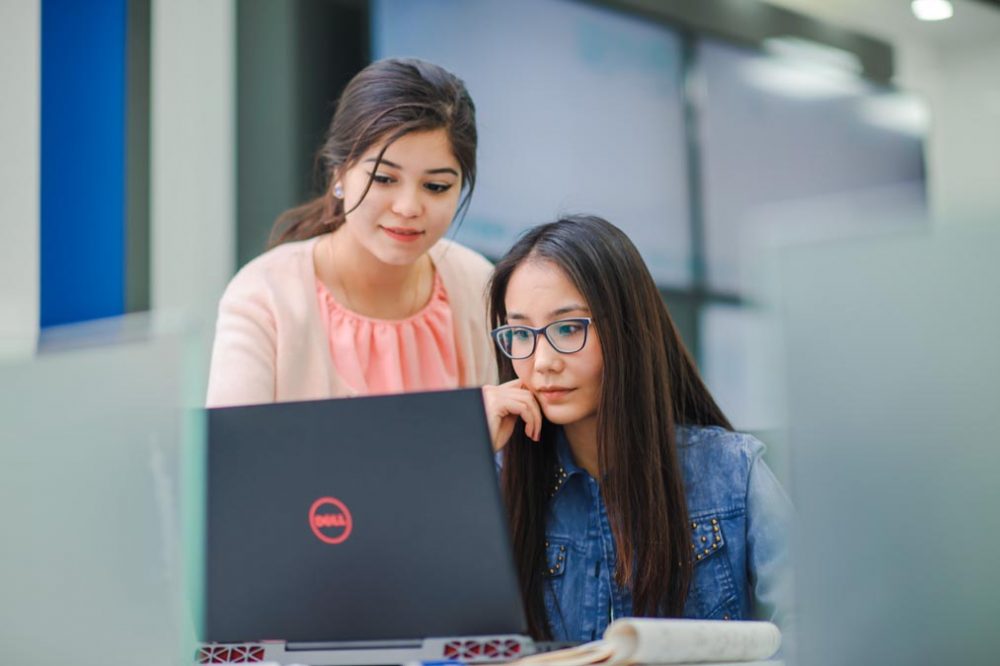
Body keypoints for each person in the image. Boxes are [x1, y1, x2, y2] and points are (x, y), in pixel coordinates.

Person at [481, 215, 794, 643]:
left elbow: (813, 635)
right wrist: (469, 463)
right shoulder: (501, 480)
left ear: (626, 330)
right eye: (520, 333)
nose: (542, 362)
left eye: (569, 328)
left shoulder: (733, 473)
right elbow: (435, 634)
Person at [206, 58, 496, 407]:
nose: (408, 207)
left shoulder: (478, 285)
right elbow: (237, 456)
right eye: (384, 179)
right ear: (339, 173)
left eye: (435, 186)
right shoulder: (264, 296)